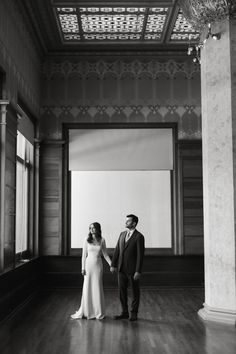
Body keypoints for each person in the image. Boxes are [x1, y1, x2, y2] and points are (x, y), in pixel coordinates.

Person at [71, 222, 111, 320]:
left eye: (93, 228)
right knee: (87, 287)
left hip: (98, 266)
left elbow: (105, 254)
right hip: (88, 266)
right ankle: (87, 311)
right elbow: (83, 255)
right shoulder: (86, 240)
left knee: (97, 287)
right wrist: (82, 268)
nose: (92, 229)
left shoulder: (102, 240)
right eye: (90, 228)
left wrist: (111, 264)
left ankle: (98, 312)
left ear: (98, 229)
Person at [110, 214, 145, 321]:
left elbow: (140, 255)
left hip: (132, 270)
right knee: (122, 292)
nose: (126, 223)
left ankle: (134, 313)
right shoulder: (122, 234)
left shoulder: (139, 237)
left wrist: (138, 271)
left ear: (134, 223)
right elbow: (117, 250)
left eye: (128, 221)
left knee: (135, 292)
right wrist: (113, 264)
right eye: (126, 221)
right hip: (121, 269)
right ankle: (124, 312)